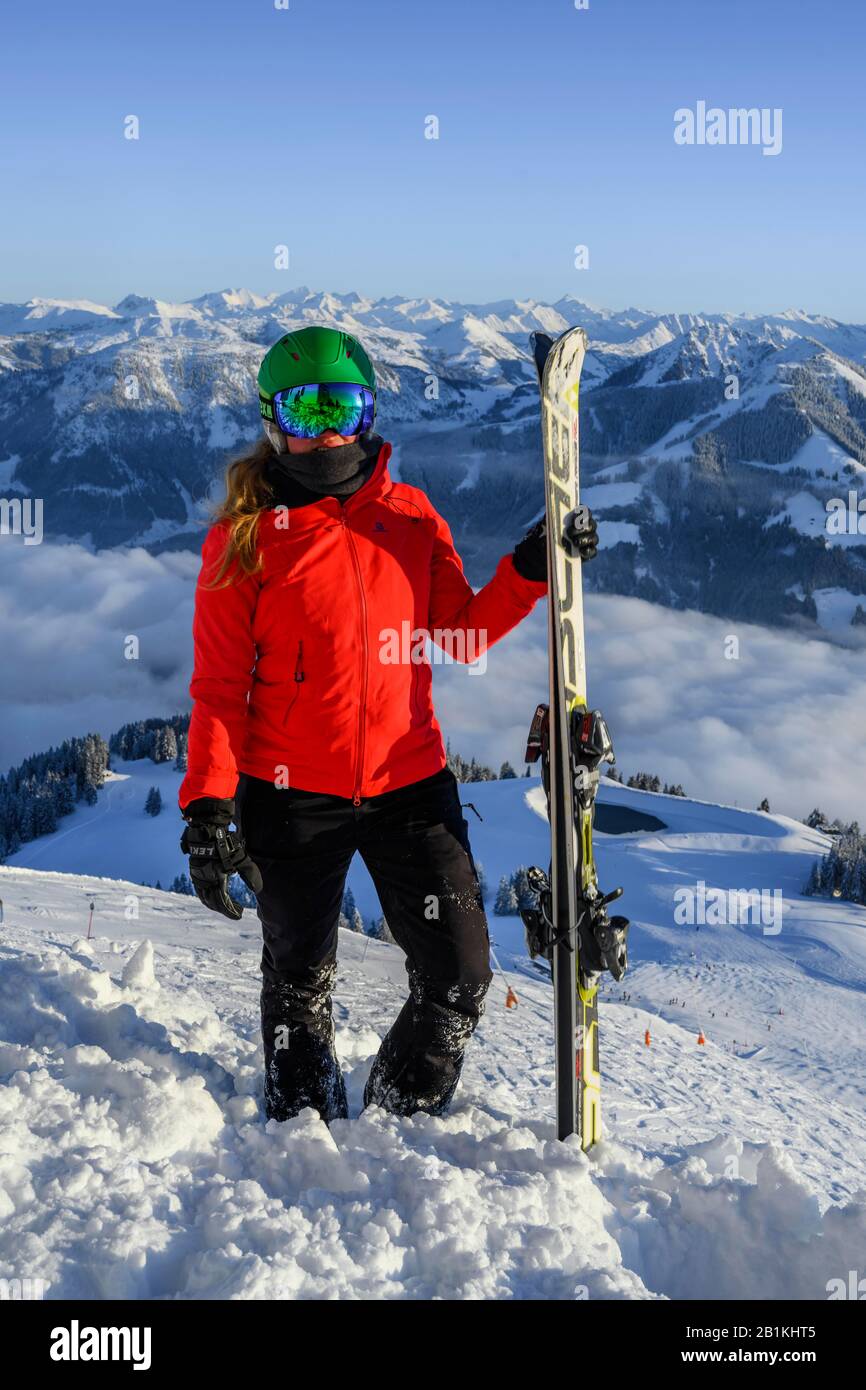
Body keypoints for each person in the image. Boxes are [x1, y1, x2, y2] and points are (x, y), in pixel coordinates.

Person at [179, 325, 598, 1124]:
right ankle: (302, 1145)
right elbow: (220, 689)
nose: (329, 428)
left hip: (410, 785)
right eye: (308, 408)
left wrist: (527, 572)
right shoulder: (242, 541)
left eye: (346, 404)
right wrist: (208, 806)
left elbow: (459, 634)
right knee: (298, 988)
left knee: (460, 976)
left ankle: (398, 1121)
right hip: (290, 793)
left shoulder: (410, 518)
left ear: (369, 412)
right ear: (276, 422)